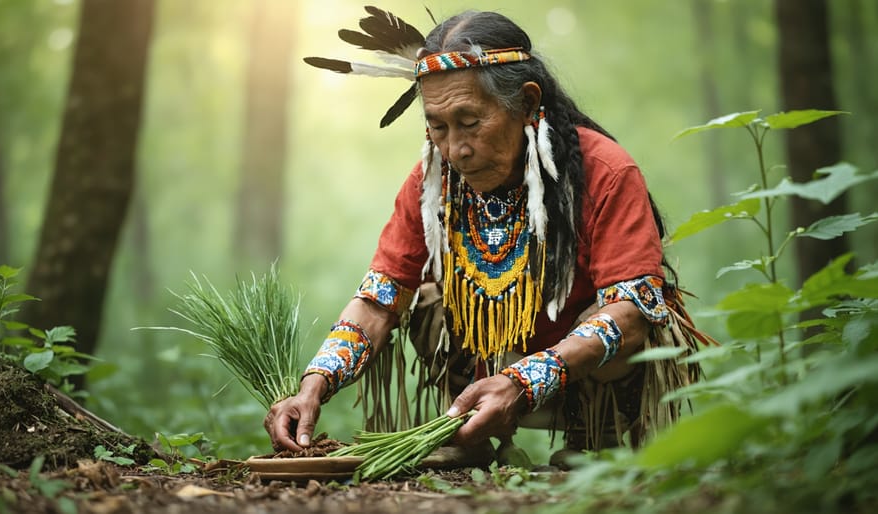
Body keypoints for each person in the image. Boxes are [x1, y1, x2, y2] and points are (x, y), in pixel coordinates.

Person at [265, 8, 711, 459]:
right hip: (488, 374)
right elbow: (378, 300)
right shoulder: (432, 184)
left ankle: (598, 437)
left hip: (586, 377)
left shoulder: (606, 172)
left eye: (471, 122)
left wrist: (522, 382)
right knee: (424, 299)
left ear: (528, 103)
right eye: (438, 127)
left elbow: (632, 313)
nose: (456, 149)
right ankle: (469, 430)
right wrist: (313, 385)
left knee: (627, 308)